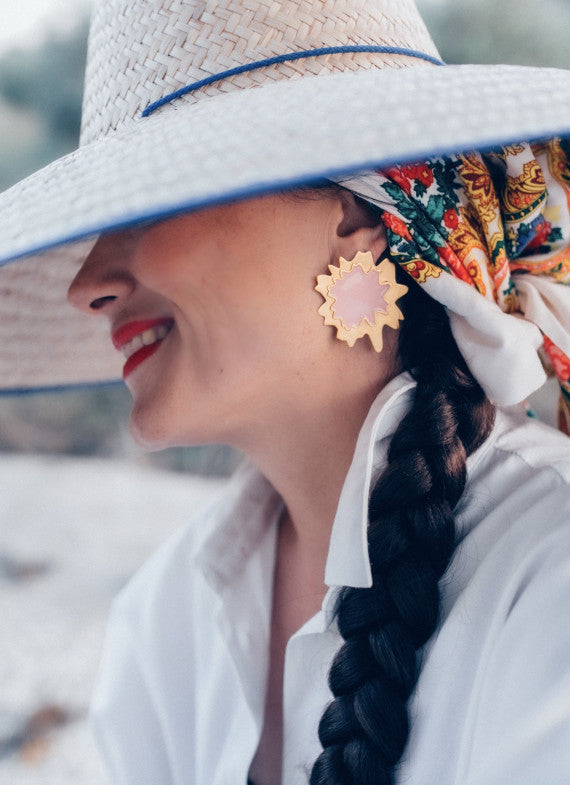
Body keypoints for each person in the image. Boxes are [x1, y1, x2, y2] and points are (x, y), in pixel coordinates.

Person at [0, 1, 570, 784]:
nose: (87, 284)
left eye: (146, 201)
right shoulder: (165, 618)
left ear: (356, 215)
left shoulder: (548, 580)